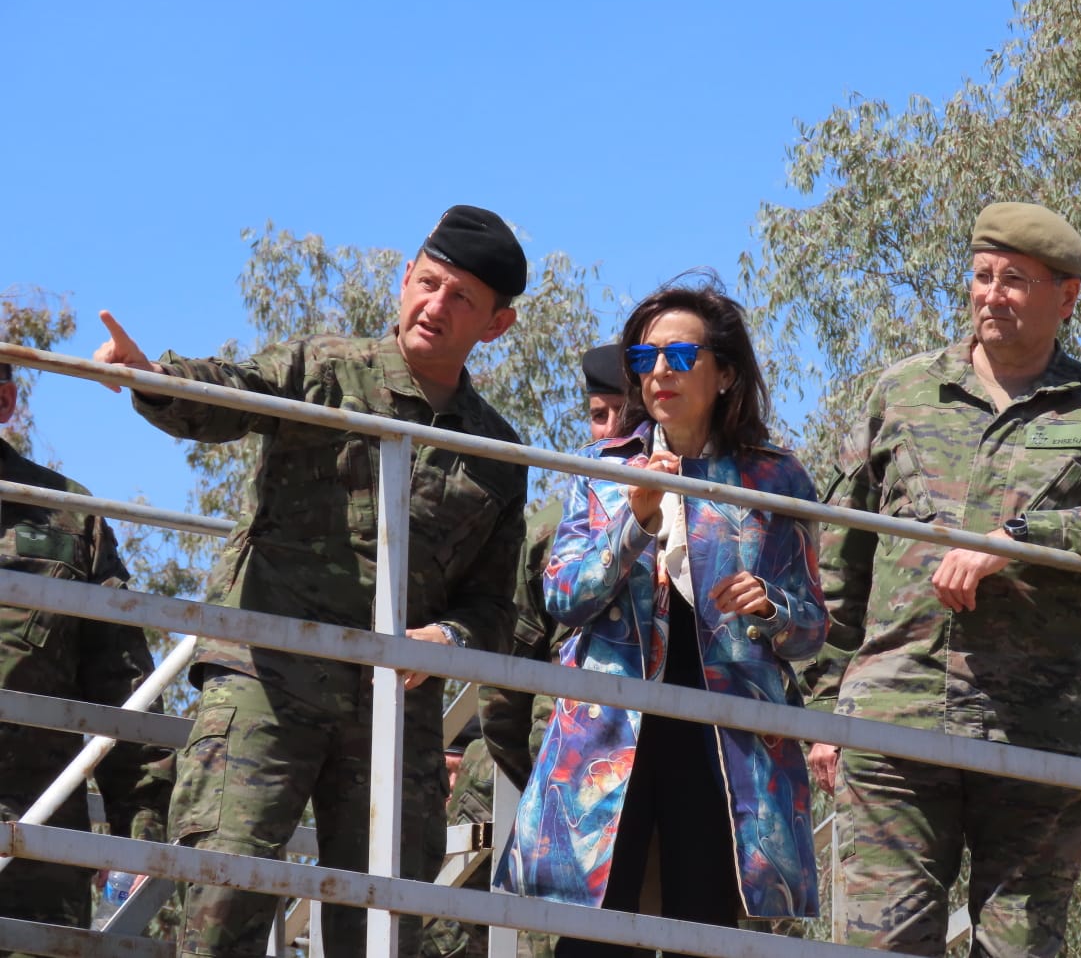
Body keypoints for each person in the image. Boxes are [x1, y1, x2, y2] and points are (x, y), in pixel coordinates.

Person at [92, 204, 530, 958]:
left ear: (497, 325)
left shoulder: (496, 454)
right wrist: (152, 379)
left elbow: (495, 603)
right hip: (268, 677)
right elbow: (225, 394)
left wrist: (448, 637)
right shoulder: (324, 371)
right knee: (223, 899)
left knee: (386, 924)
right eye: (428, 284)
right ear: (404, 281)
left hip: (394, 704)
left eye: (463, 299)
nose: (436, 307)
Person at [804, 202, 1081, 956]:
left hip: (1035, 737)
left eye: (1015, 280)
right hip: (893, 725)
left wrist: (1025, 537)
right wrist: (823, 706)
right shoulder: (902, 393)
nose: (992, 294)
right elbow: (839, 559)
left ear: (1066, 297)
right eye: (982, 276)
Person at [496, 280, 826, 957]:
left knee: (702, 933)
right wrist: (634, 523)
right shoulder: (601, 471)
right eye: (645, 361)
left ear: (726, 372)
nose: (659, 374)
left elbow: (812, 628)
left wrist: (769, 606)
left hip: (723, 744)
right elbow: (563, 596)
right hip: (610, 735)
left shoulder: (776, 480)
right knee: (593, 940)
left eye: (679, 356)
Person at [422, 343, 625, 958]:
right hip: (569, 794)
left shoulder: (709, 521)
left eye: (627, 415)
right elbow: (504, 693)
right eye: (599, 415)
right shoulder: (554, 528)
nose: (612, 432)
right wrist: (545, 772)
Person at [0, 361, 174, 953]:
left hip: (33, 843)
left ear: (4, 402)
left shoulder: (66, 516)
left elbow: (122, 683)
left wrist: (140, 833)